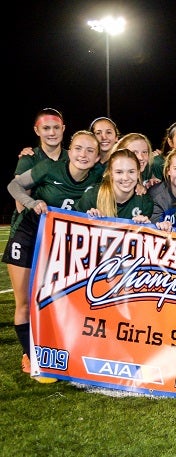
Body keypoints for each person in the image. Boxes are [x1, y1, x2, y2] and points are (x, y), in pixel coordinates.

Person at [3, 130, 102, 382]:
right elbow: (14, 185)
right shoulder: (49, 167)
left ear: (98, 156)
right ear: (70, 150)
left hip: (60, 244)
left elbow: (128, 177)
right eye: (79, 148)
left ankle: (56, 351)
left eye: (90, 150)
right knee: (24, 302)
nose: (84, 154)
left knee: (58, 302)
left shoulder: (100, 176)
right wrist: (30, 202)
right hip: (28, 237)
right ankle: (31, 356)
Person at [11, 108, 69, 236]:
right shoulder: (29, 159)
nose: (52, 132)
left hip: (62, 230)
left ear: (63, 128)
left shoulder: (73, 158)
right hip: (32, 229)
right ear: (37, 130)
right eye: (46, 128)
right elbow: (21, 204)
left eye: (56, 127)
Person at [74, 148, 154, 223]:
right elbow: (74, 229)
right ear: (110, 173)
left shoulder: (145, 202)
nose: (125, 178)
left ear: (138, 173)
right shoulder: (92, 195)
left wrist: (144, 227)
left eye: (131, 172)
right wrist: (87, 220)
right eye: (119, 172)